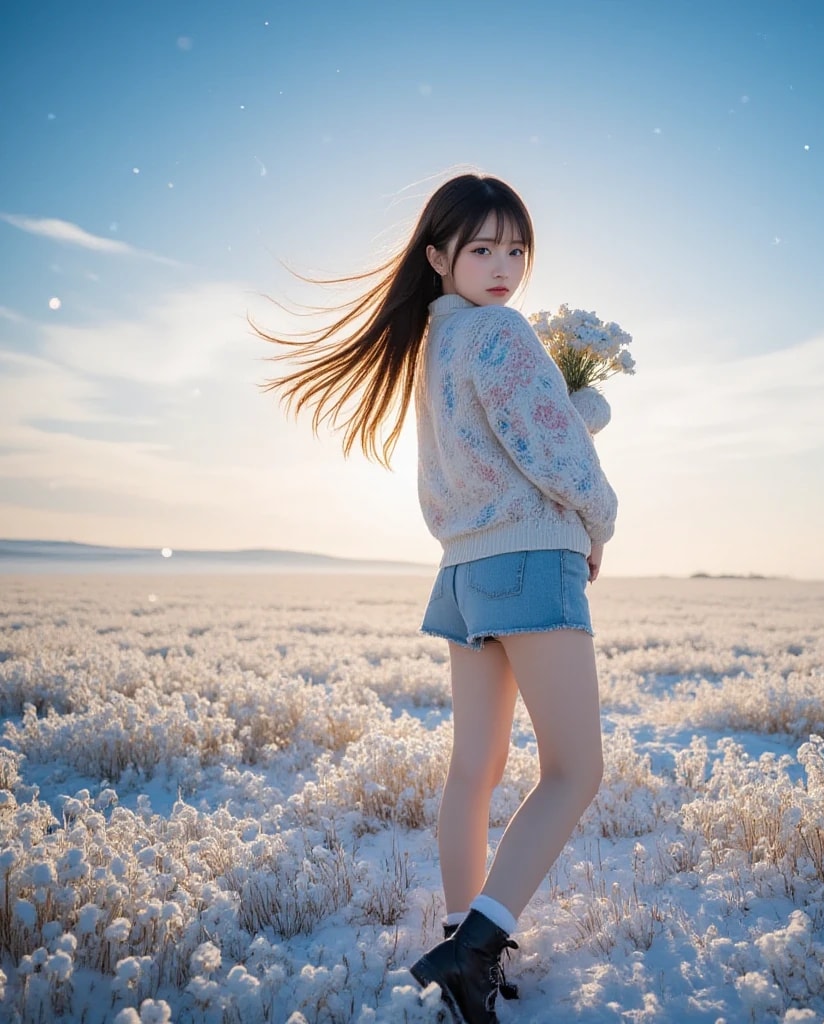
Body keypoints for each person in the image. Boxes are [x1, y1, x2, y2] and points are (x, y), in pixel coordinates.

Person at [257, 173, 617, 1024]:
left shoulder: (440, 342)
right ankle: (476, 948)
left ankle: (465, 938)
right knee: (576, 770)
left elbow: (511, 436)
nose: (503, 266)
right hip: (530, 556)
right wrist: (601, 517)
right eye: (483, 248)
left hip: (463, 571)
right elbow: (553, 455)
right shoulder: (500, 331)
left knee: (475, 768)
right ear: (438, 255)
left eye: (516, 249)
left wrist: (574, 408)